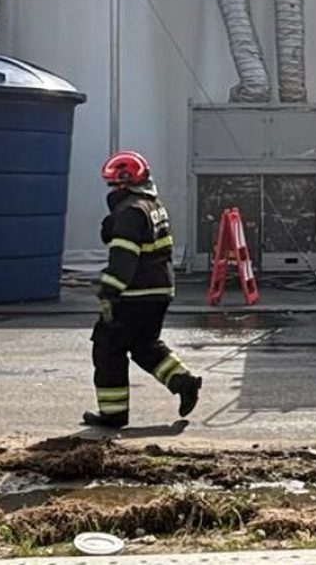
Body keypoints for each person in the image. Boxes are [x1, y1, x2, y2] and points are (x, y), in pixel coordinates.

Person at [82, 150, 202, 428]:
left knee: (107, 347)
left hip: (135, 294)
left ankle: (113, 415)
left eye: (112, 184)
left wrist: (109, 291)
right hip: (159, 290)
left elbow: (125, 258)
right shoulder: (152, 205)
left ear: (123, 184)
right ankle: (184, 382)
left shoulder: (130, 212)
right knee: (143, 345)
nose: (110, 190)